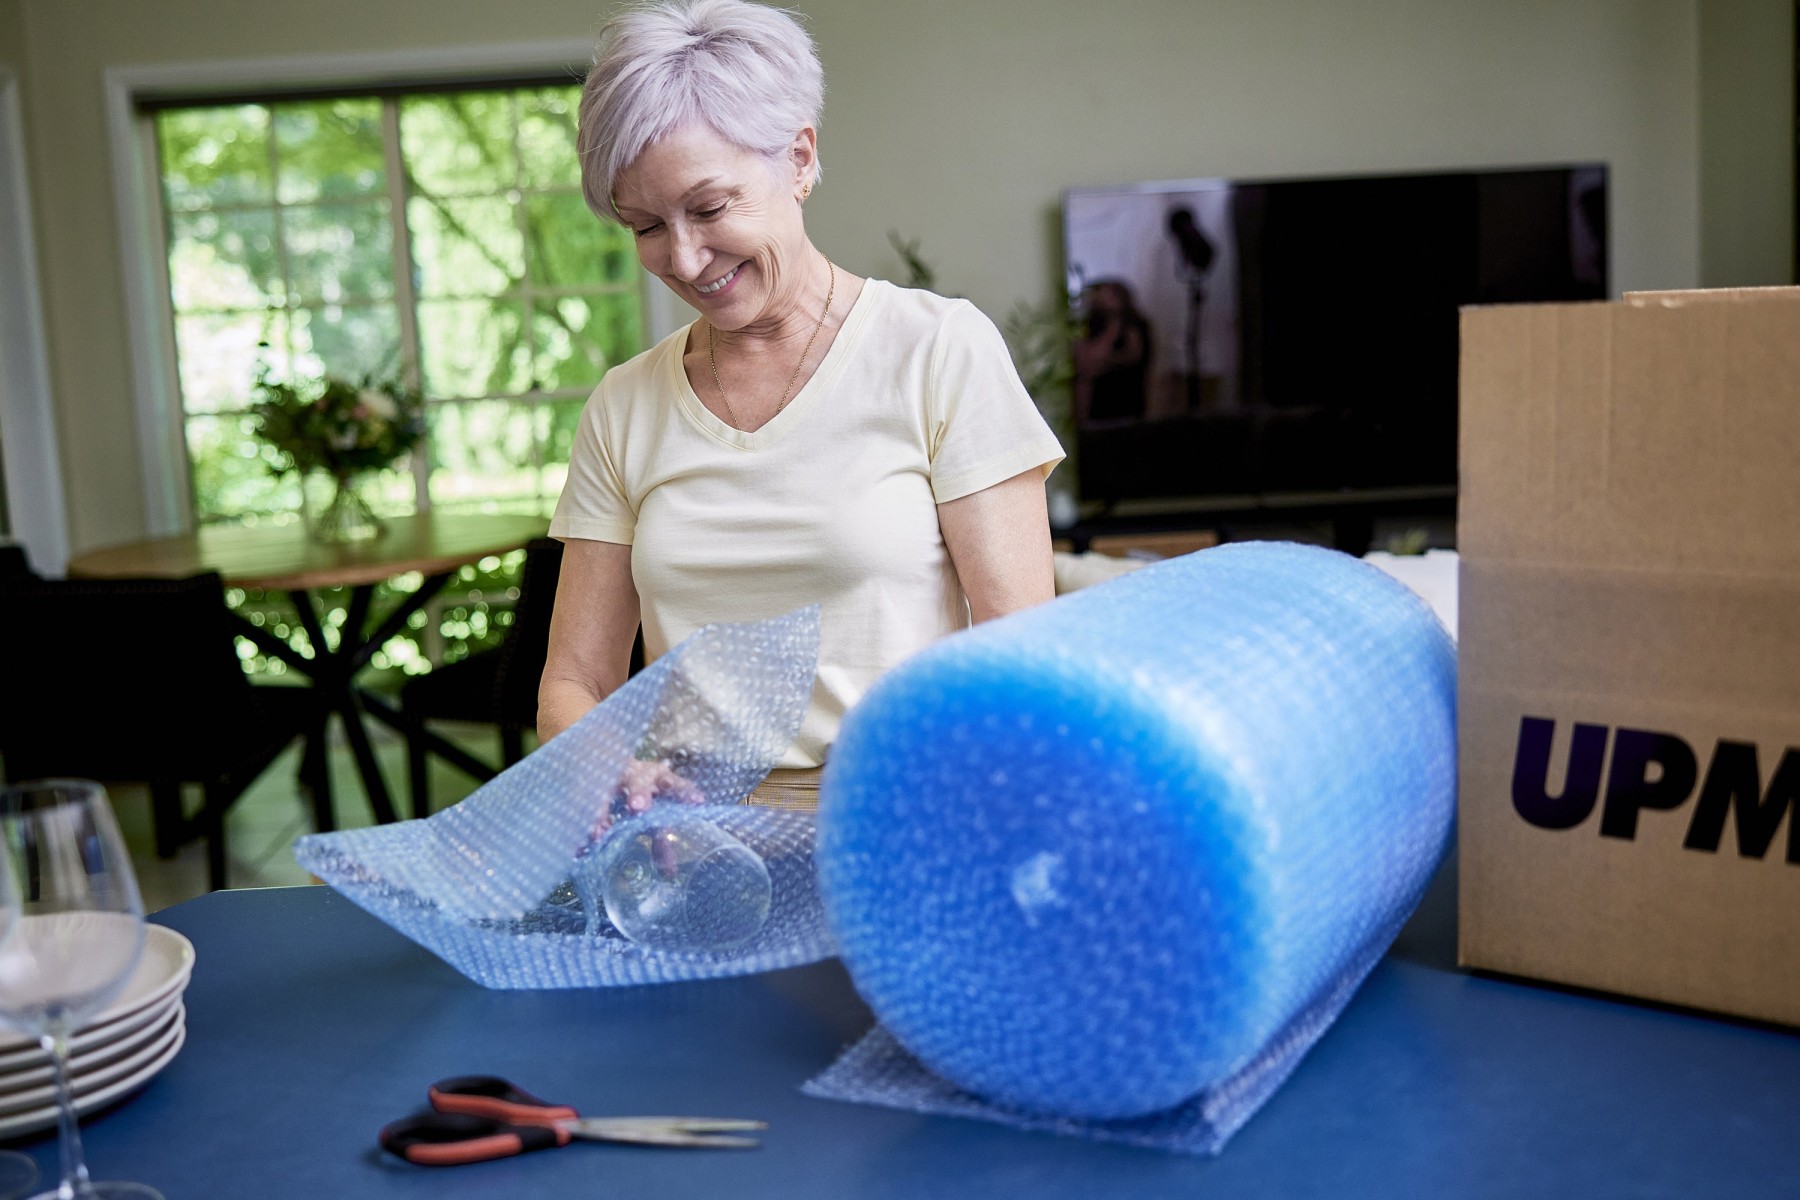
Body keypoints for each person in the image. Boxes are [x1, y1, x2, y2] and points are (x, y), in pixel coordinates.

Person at [539, 0, 1065, 816]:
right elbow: (575, 680)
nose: (684, 258)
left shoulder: (938, 351)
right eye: (646, 226)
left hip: (902, 819)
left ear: (799, 159)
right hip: (691, 841)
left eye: (709, 209)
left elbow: (1021, 654)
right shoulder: (624, 406)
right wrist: (609, 769)